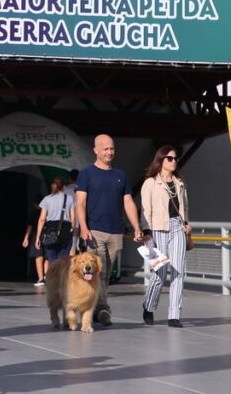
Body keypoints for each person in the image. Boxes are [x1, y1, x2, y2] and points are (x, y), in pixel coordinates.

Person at [75, 134, 143, 327]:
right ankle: (103, 309)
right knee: (99, 271)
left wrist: (137, 227)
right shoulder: (87, 174)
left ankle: (94, 307)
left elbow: (128, 202)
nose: (109, 152)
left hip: (116, 231)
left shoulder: (120, 175)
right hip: (94, 230)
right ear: (95, 150)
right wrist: (84, 227)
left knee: (105, 273)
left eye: (112, 148)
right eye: (105, 149)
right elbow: (80, 203)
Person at [140, 145, 191, 328]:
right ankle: (149, 305)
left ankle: (174, 315)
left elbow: (184, 207)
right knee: (160, 273)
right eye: (170, 158)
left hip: (177, 227)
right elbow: (145, 210)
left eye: (175, 158)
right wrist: (146, 233)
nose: (174, 161)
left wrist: (186, 224)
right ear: (160, 160)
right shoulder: (150, 183)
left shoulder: (180, 183)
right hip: (157, 229)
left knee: (178, 271)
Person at [35, 176, 74, 270]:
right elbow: (73, 219)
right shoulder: (69, 199)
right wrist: (71, 230)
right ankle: (61, 281)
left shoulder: (47, 199)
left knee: (52, 259)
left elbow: (42, 219)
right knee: (63, 258)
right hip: (65, 229)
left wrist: (38, 237)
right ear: (64, 187)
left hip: (50, 229)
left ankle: (54, 279)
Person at [22, 198, 46, 286]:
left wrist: (26, 238)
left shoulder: (34, 213)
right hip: (48, 235)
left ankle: (41, 278)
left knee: (38, 256)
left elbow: (30, 226)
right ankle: (47, 276)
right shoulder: (48, 211)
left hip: (36, 235)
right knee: (46, 256)